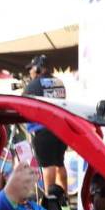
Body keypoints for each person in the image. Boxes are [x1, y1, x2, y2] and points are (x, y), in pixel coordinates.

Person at [22, 55, 69, 196]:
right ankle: (64, 197)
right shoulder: (59, 82)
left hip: (42, 131)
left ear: (38, 68)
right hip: (61, 129)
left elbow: (22, 104)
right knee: (60, 164)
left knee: (48, 166)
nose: (30, 72)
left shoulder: (33, 85)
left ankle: (51, 200)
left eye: (31, 69)